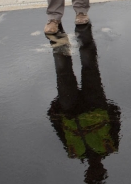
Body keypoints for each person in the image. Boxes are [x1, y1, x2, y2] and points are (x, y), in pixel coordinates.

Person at [46, 26, 121, 183]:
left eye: (91, 177)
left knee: (63, 72)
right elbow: (116, 118)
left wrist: (53, 115)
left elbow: (60, 131)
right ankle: (83, 29)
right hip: (95, 103)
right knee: (90, 67)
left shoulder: (73, 152)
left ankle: (57, 32)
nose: (94, 172)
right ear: (103, 170)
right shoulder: (110, 147)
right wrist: (106, 107)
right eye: (98, 175)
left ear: (86, 175)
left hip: (69, 109)